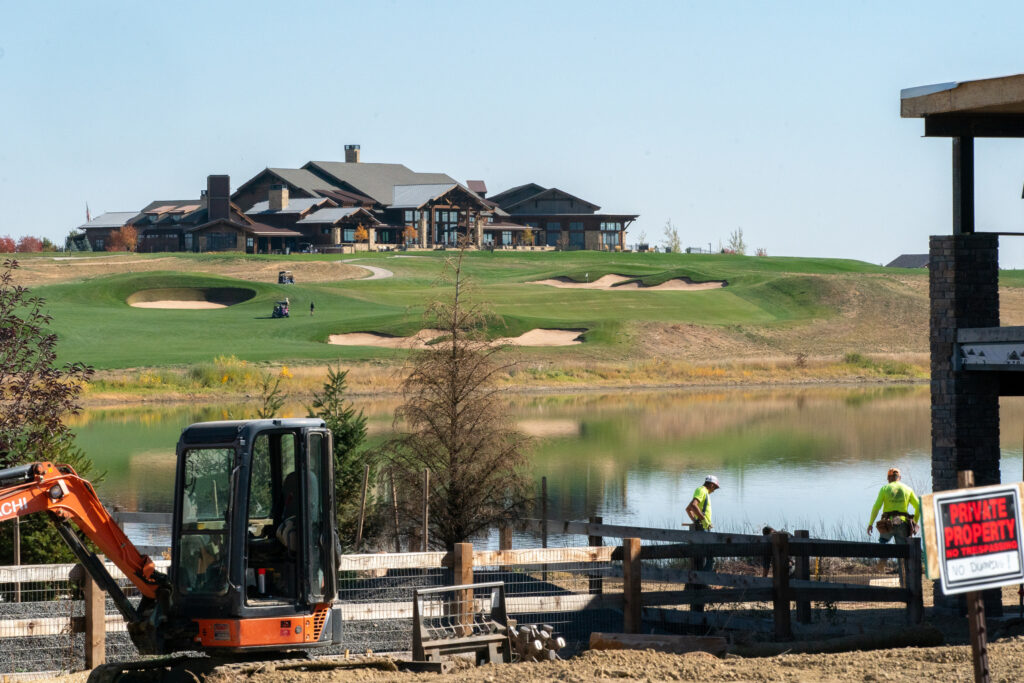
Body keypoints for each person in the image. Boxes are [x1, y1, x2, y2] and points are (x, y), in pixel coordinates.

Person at [867, 467, 921, 544]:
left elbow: (876, 507)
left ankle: (883, 554)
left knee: (882, 546)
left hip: (887, 523)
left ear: (888, 478)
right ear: (900, 478)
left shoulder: (885, 489)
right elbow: (918, 506)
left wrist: (870, 524)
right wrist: (915, 521)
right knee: (902, 551)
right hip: (903, 524)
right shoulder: (908, 489)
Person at [685, 475, 720, 572]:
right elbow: (693, 506)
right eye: (715, 488)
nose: (714, 490)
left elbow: (688, 509)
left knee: (705, 556)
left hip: (703, 528)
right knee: (710, 556)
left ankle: (702, 579)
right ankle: (704, 579)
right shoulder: (702, 490)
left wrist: (696, 521)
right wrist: (702, 519)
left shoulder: (703, 492)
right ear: (711, 485)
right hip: (703, 529)